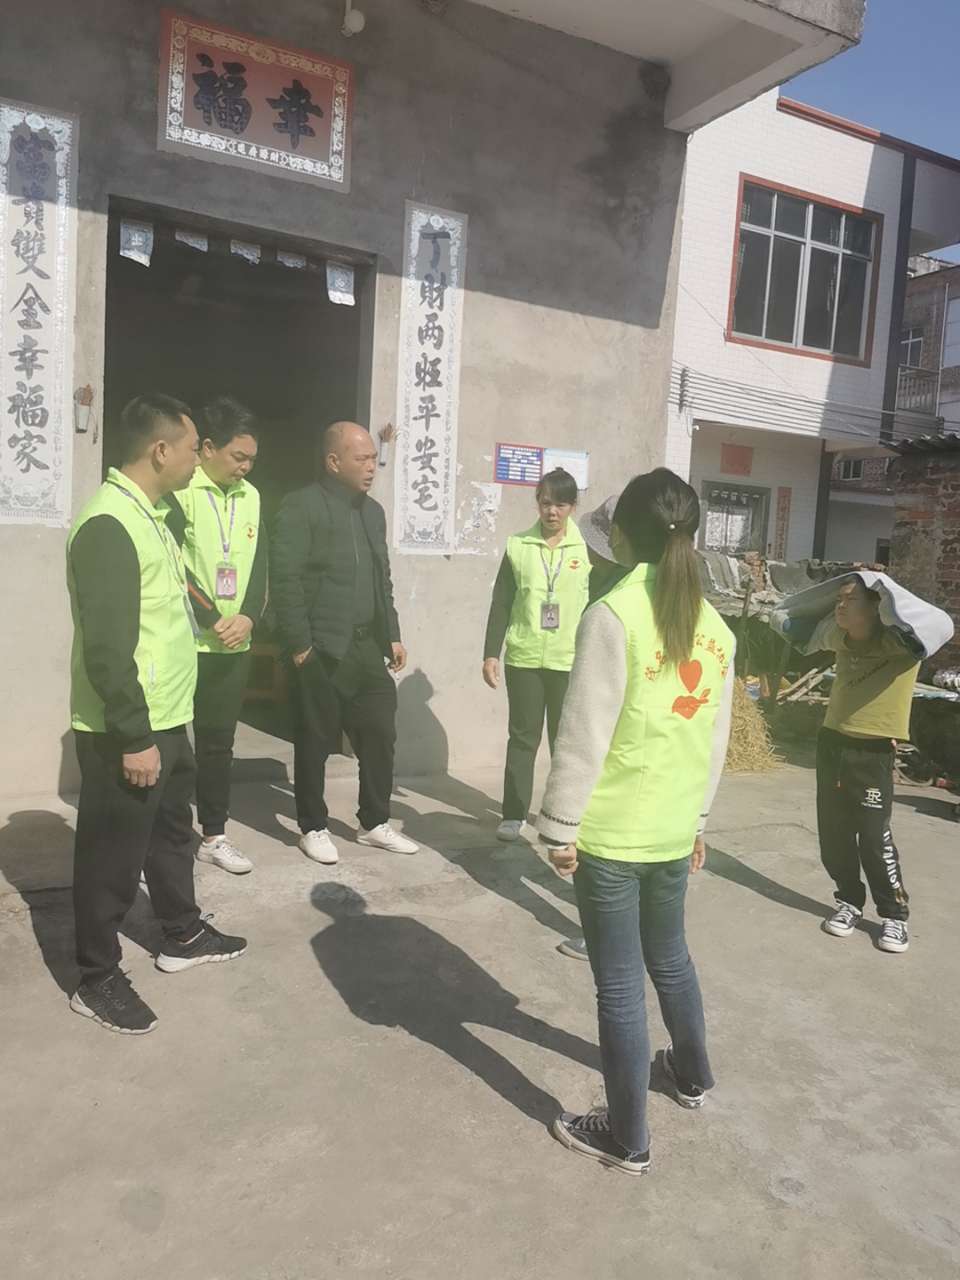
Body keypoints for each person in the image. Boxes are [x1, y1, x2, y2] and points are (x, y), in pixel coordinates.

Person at [538, 468, 735, 1176]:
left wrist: (559, 828)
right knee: (671, 958)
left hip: (613, 837)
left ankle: (627, 1138)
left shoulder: (613, 614)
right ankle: (691, 1075)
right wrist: (699, 819)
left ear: (620, 535)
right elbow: (714, 740)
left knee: (620, 986)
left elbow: (583, 735)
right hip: (675, 830)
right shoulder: (716, 626)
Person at [67, 393, 247, 1035]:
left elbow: (175, 591)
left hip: (167, 717)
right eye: (193, 447)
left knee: (172, 836)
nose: (200, 458)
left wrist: (216, 617)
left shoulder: (153, 517)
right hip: (128, 730)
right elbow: (106, 648)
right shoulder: (109, 524)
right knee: (111, 858)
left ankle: (182, 933)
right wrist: (133, 736)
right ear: (161, 450)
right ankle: (96, 977)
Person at [271, 422, 417, 863]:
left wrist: (392, 634)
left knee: (380, 731)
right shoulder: (302, 507)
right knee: (314, 740)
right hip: (320, 646)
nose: (372, 467)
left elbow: (382, 578)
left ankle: (374, 822)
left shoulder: (373, 513)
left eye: (374, 458)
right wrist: (300, 646)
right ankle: (313, 826)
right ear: (334, 462)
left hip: (365, 647)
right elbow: (285, 579)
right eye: (362, 459)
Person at [166, 397, 267, 876]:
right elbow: (171, 563)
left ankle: (213, 835)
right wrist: (209, 616)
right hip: (186, 641)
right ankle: (161, 838)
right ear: (207, 448)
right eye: (238, 457)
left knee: (217, 744)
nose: (245, 467)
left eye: (251, 460)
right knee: (171, 745)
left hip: (233, 645)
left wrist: (247, 616)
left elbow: (260, 565)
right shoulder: (182, 490)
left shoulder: (253, 496)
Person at [812, 580, 921, 954]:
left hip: (872, 752)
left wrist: (883, 588)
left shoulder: (904, 644)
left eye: (851, 599)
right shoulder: (839, 639)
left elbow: (938, 624)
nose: (840, 605)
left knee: (874, 838)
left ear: (877, 607)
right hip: (832, 743)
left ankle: (894, 914)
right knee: (834, 834)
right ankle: (849, 902)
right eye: (839, 599)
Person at [482, 469, 590, 842]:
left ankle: (565, 816)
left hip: (569, 660)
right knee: (522, 740)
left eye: (560, 504)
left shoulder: (587, 551)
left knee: (566, 742)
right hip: (524, 658)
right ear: (537, 504)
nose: (552, 511)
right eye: (545, 503)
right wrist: (491, 653)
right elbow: (501, 601)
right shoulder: (518, 545)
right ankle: (513, 814)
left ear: (572, 506)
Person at [554, 493, 628, 962]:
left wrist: (559, 824)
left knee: (601, 849)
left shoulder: (612, 603)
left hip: (615, 743)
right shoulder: (665, 594)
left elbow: (586, 723)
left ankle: (605, 934)